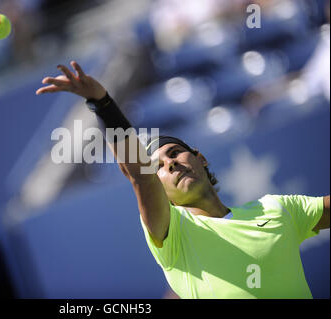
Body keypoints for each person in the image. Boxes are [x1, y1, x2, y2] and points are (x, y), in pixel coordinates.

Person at [36, 61, 330, 299]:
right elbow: (140, 173)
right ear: (159, 186)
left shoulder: (277, 210)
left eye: (175, 153)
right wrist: (102, 103)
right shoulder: (173, 236)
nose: (172, 163)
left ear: (200, 158)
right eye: (160, 167)